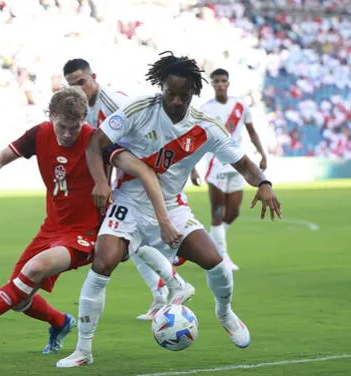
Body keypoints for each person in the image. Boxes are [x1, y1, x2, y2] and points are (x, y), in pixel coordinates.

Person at [57, 52, 281, 368]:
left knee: (215, 261)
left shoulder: (207, 127)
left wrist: (264, 182)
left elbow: (244, 163)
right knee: (103, 261)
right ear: (161, 86)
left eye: (183, 96)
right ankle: (83, 350)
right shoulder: (138, 109)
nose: (176, 101)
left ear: (194, 94)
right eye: (171, 93)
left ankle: (224, 311)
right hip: (128, 204)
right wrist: (101, 184)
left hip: (173, 205)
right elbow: (96, 143)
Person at [0, 87, 182, 354]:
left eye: (74, 127)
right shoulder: (39, 134)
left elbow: (137, 166)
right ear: (51, 116)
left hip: (87, 232)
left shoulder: (96, 140)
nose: (68, 134)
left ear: (84, 118)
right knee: (18, 297)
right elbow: (2, 157)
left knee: (34, 269)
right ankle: (60, 322)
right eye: (62, 127)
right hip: (52, 227)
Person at [64, 58, 194, 320]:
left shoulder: (113, 102)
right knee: (128, 242)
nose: (78, 88)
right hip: (121, 177)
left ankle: (173, 284)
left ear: (94, 77)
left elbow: (147, 133)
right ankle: (165, 290)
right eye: (72, 85)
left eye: (82, 82)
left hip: (139, 178)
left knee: (128, 240)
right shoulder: (82, 107)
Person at [195, 68, 268, 271]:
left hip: (237, 163)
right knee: (217, 213)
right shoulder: (205, 109)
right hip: (215, 163)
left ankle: (212, 241)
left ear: (228, 83)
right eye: (216, 81)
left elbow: (251, 131)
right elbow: (196, 138)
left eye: (223, 80)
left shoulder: (240, 106)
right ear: (212, 84)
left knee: (234, 211)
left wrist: (262, 153)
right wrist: (193, 167)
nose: (220, 84)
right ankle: (222, 255)